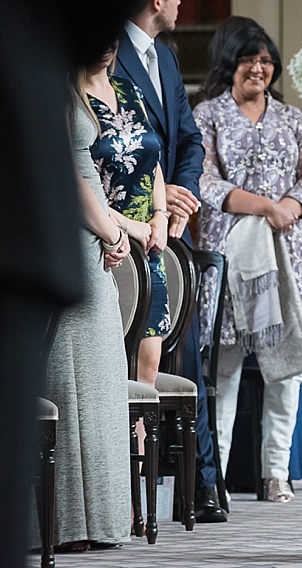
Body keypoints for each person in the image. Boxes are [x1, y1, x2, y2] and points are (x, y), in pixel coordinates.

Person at [193, 22, 302, 503]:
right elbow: (204, 181)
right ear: (230, 63)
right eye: (249, 59)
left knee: (286, 366)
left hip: (289, 256)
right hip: (231, 258)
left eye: (267, 60)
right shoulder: (207, 115)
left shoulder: (291, 118)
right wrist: (263, 207)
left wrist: (288, 206)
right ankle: (219, 478)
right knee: (224, 367)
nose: (259, 68)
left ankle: (275, 474)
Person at [114, 0, 227, 522]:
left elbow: (187, 139)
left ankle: (201, 488)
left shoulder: (166, 56)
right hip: (120, 227)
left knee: (186, 356)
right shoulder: (108, 52)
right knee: (134, 364)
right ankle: (122, 495)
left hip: (166, 225)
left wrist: (179, 195)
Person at [41, 52, 134, 553]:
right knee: (73, 379)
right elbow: (63, 173)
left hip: (93, 231)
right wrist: (109, 228)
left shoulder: (77, 81)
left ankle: (101, 520)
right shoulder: (49, 79)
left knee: (99, 380)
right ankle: (69, 524)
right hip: (71, 230)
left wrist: (111, 228)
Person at [87, 40, 170, 390]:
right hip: (103, 244)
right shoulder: (69, 98)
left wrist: (161, 215)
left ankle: (138, 448)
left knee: (146, 369)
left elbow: (153, 160)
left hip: (148, 244)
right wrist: (124, 225)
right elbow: (74, 179)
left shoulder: (127, 87)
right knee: (108, 374)